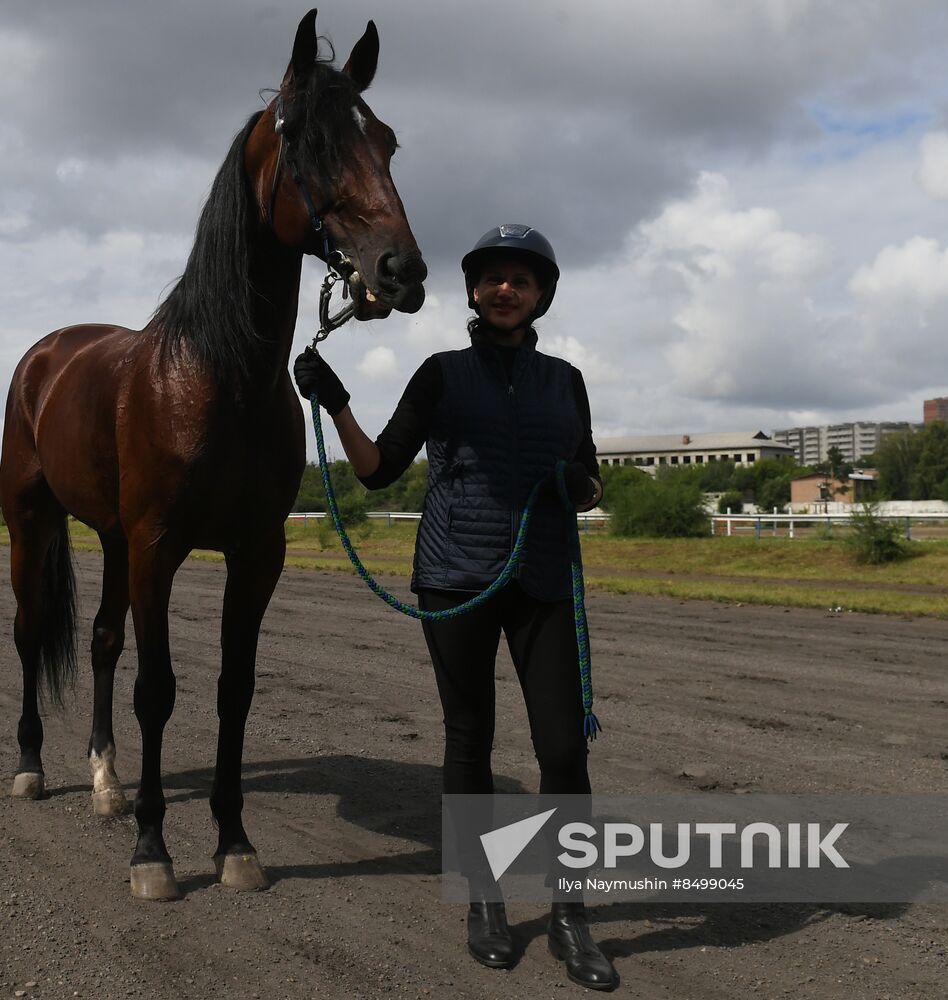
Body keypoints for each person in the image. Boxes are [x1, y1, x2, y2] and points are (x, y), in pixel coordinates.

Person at [293, 224, 617, 991]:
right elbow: (377, 472)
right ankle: (486, 900)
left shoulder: (566, 381)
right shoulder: (439, 375)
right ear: (473, 290)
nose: (507, 290)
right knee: (470, 737)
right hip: (455, 577)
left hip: (542, 578)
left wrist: (583, 486)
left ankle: (571, 913)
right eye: (493, 278)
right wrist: (336, 403)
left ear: (540, 297)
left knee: (564, 748)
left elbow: (593, 478)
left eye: (523, 281)